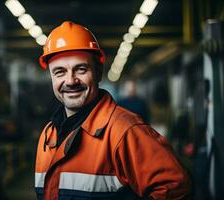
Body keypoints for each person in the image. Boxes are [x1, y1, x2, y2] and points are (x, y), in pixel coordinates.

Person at [35, 21, 191, 200]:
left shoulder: (125, 131)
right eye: (59, 72)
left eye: (81, 69)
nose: (70, 81)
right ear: (51, 77)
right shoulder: (48, 136)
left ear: (98, 71)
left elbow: (176, 188)